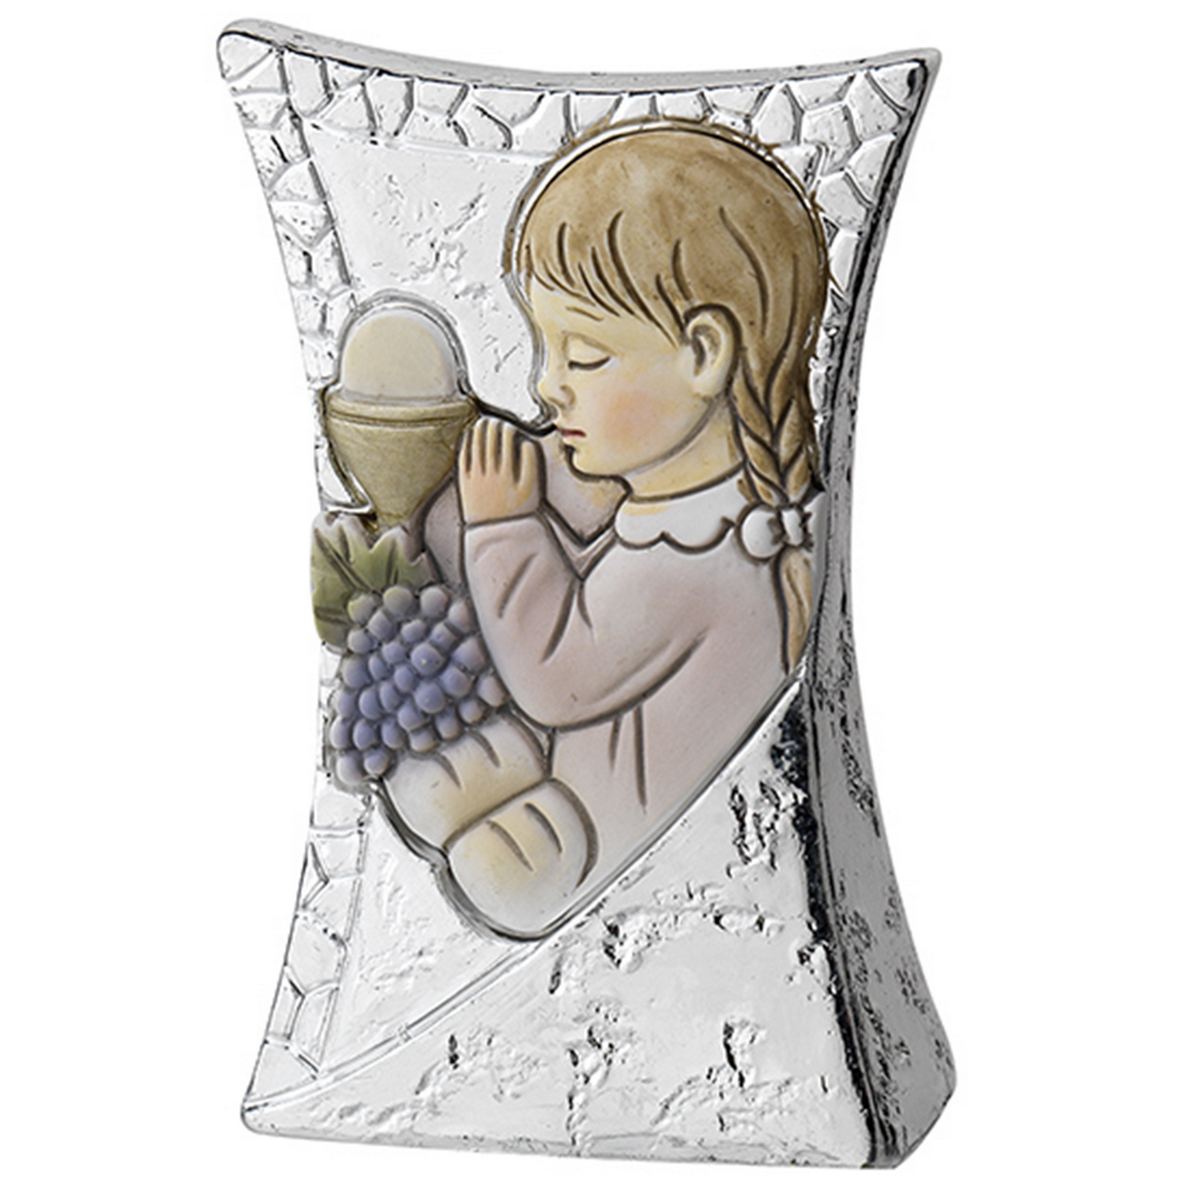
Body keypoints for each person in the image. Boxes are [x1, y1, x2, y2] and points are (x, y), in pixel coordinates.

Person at [447, 122, 830, 937]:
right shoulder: (714, 517)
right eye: (547, 350)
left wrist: (503, 527)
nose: (545, 387)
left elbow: (556, 678)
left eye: (584, 357)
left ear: (703, 354)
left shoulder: (687, 563)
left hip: (623, 879)